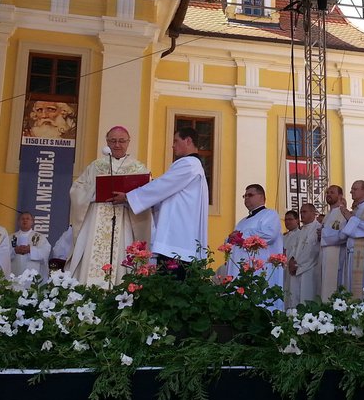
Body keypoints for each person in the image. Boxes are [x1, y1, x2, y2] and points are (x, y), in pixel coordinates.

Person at [68, 126, 148, 285]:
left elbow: (147, 194)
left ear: (128, 142)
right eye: (113, 141)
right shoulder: (96, 166)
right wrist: (94, 192)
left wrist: (128, 198)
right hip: (96, 219)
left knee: (121, 257)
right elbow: (76, 189)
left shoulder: (138, 168)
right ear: (107, 142)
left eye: (121, 141)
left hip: (124, 218)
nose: (117, 145)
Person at [123, 127, 209, 272]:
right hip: (181, 240)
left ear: (188, 141)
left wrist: (128, 196)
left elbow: (161, 186)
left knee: (171, 283)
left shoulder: (188, 164)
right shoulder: (194, 165)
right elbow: (167, 192)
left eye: (176, 141)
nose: (173, 145)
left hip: (176, 241)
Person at [223, 184, 284, 306]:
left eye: (250, 195)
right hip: (240, 267)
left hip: (259, 267)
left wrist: (241, 235)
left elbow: (269, 234)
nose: (246, 198)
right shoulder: (243, 220)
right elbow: (231, 240)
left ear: (262, 197)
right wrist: (230, 238)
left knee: (258, 298)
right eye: (244, 196)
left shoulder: (270, 214)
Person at [336, 180, 364, 298]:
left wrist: (351, 218)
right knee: (350, 287)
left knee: (363, 287)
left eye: (354, 189)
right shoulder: (356, 209)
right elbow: (345, 232)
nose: (351, 191)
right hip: (351, 254)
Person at [286, 202, 321, 308]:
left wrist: (298, 265)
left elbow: (313, 251)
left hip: (309, 269)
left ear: (313, 213)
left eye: (304, 212)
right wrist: (291, 261)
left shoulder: (318, 229)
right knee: (295, 298)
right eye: (301, 212)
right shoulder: (301, 230)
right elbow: (293, 248)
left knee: (307, 297)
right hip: (296, 269)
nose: (302, 214)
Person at [318, 184, 347, 301]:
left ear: (340, 195)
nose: (328, 195)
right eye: (327, 193)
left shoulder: (343, 213)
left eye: (332, 192)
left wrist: (323, 234)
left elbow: (343, 235)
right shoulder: (328, 215)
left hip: (336, 256)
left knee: (332, 288)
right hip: (324, 255)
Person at [11, 211, 52, 281]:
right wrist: (14, 251)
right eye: (22, 219)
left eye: (27, 219)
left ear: (32, 222)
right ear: (18, 222)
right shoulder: (11, 237)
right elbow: (4, 253)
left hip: (33, 274)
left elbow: (45, 252)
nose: (25, 220)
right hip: (15, 273)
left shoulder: (40, 237)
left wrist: (30, 250)